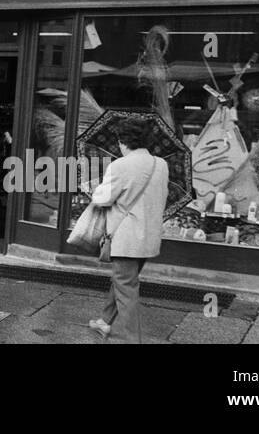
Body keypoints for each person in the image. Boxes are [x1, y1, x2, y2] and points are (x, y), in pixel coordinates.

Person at [85, 115, 168, 344]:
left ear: (122, 141)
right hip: (149, 237)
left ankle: (132, 339)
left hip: (125, 239)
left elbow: (102, 199)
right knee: (124, 281)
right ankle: (104, 321)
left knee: (126, 288)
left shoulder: (120, 165)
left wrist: (95, 188)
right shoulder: (161, 164)